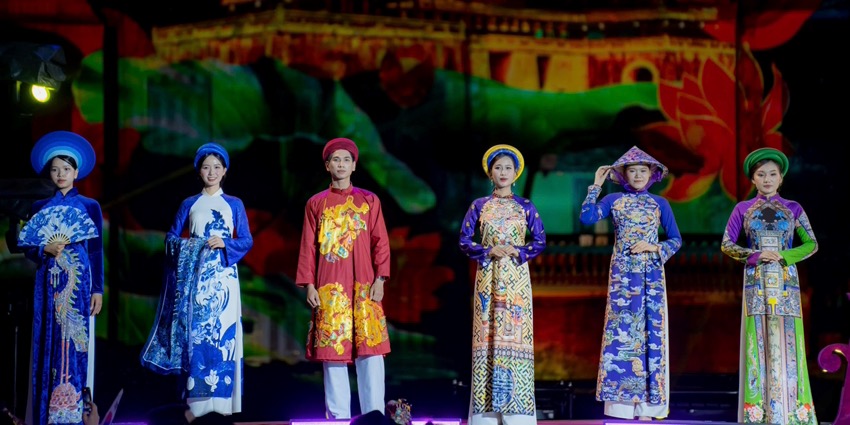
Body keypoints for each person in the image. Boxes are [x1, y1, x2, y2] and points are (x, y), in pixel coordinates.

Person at [140, 142, 253, 420]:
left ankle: (222, 408)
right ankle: (197, 408)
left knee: (223, 338)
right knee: (198, 338)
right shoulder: (189, 204)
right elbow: (170, 240)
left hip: (225, 281)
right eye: (206, 167)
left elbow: (247, 240)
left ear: (225, 171)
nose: (212, 172)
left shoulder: (234, 204)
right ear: (198, 171)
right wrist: (195, 245)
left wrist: (225, 243)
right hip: (195, 282)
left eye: (217, 167)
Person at [579, 146, 682, 420]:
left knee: (652, 334)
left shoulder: (660, 204)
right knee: (620, 334)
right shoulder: (613, 199)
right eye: (632, 170)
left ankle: (650, 406)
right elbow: (587, 218)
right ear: (624, 175)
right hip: (623, 277)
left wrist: (653, 246)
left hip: (651, 277)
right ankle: (621, 406)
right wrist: (595, 187)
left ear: (651, 175)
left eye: (643, 170)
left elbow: (675, 239)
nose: (638, 175)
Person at [720, 148, 818, 425]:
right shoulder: (742, 209)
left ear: (781, 178)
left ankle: (792, 414)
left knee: (789, 343)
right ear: (753, 179)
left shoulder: (794, 208)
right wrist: (755, 255)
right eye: (761, 174)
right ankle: (759, 415)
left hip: (787, 283)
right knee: (758, 341)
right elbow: (727, 245)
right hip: (756, 283)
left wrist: (786, 256)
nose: (767, 179)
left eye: (772, 174)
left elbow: (812, 244)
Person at [295, 137, 392, 419]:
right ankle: (337, 418)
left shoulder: (369, 200)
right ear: (327, 166)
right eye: (335, 160)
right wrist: (309, 284)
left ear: (354, 165)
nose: (341, 164)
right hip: (329, 286)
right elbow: (307, 246)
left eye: (346, 160)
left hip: (364, 285)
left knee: (370, 352)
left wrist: (380, 279)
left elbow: (380, 242)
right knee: (333, 354)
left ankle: (373, 416)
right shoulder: (316, 204)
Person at [18, 131, 104, 425]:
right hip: (47, 283)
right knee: (48, 340)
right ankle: (45, 413)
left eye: (66, 169)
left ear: (76, 172)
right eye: (55, 169)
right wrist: (44, 248)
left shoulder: (90, 206)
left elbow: (96, 252)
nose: (60, 174)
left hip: (78, 283)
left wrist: (98, 289)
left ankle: (71, 413)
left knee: (73, 343)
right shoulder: (39, 208)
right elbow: (28, 248)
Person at [458, 144, 546, 425]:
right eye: (498, 168)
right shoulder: (479, 206)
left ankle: (517, 412)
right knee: (488, 338)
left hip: (517, 280)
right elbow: (464, 241)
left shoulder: (526, 207)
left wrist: (519, 252)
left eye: (508, 168)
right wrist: (487, 252)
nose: (503, 172)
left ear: (516, 173)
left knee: (515, 338)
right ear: (490, 173)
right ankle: (485, 414)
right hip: (488, 278)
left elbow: (540, 241)